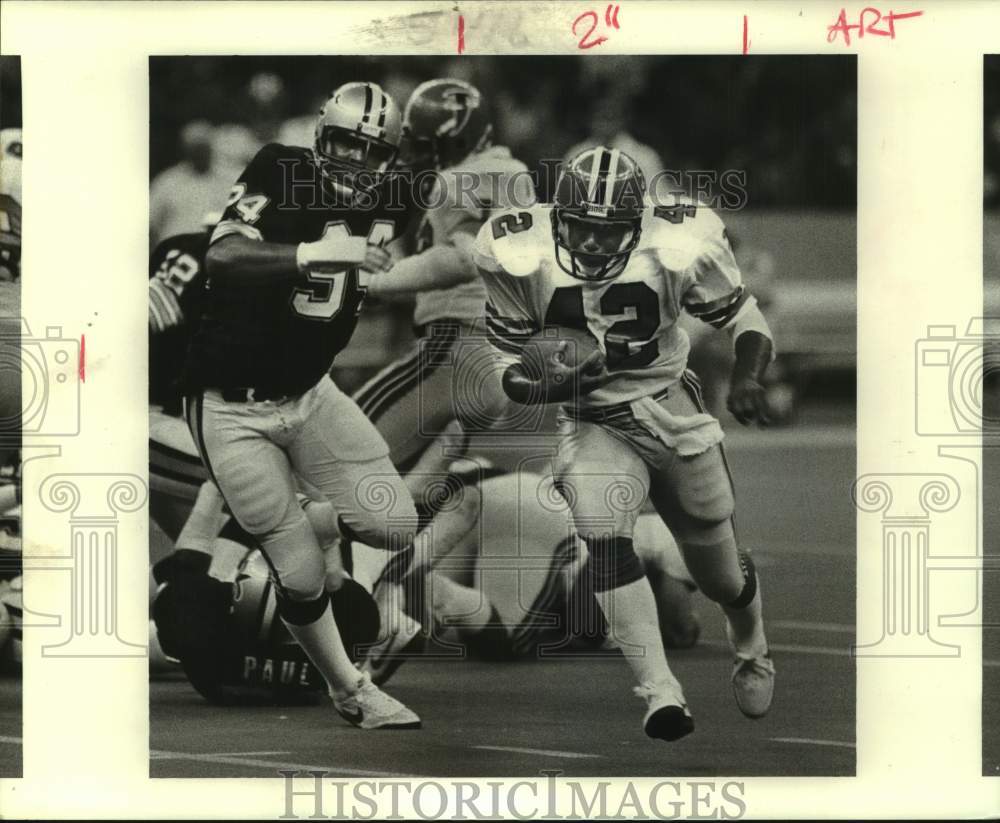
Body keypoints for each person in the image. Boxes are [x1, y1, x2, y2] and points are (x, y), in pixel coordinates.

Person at [473, 146, 775, 742]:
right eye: (579, 227)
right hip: (594, 421)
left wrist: (748, 377)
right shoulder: (516, 247)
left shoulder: (678, 240)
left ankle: (751, 645)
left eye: (604, 230)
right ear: (558, 218)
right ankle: (660, 691)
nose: (588, 243)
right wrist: (542, 384)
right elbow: (502, 363)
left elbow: (747, 318)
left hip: (673, 410)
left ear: (637, 225)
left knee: (721, 577)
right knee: (604, 537)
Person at [178, 81, 425, 731]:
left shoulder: (398, 196)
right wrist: (317, 252)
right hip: (233, 407)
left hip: (312, 392)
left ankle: (315, 516)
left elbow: (415, 228)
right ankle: (350, 688)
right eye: (344, 144)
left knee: (394, 522)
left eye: (371, 153)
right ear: (321, 137)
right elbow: (226, 254)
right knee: (303, 574)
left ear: (390, 160)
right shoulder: (281, 169)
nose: (355, 163)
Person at [343, 78, 536, 676]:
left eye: (425, 142)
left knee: (341, 459)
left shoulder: (480, 173)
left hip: (458, 346)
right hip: (493, 355)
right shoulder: (500, 172)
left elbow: (460, 257)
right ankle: (401, 604)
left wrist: (372, 281)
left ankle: (367, 617)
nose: (417, 153)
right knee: (420, 490)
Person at [149, 121, 234, 248]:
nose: (200, 153)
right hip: (176, 253)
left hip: (216, 254)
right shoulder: (168, 181)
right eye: (195, 148)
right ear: (186, 149)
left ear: (211, 148)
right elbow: (150, 224)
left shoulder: (229, 179)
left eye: (203, 147)